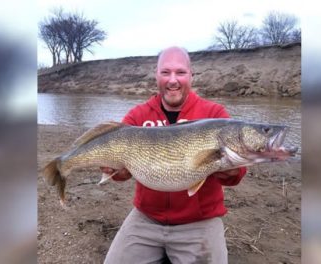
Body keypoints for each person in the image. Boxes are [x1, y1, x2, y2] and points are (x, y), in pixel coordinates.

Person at [102, 46, 246, 263]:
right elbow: (123, 175)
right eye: (165, 72)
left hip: (200, 222)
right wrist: (116, 172)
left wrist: (231, 171)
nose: (172, 80)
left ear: (191, 76)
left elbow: (236, 175)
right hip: (146, 218)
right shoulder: (137, 116)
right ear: (156, 76)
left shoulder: (215, 115)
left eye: (180, 72)